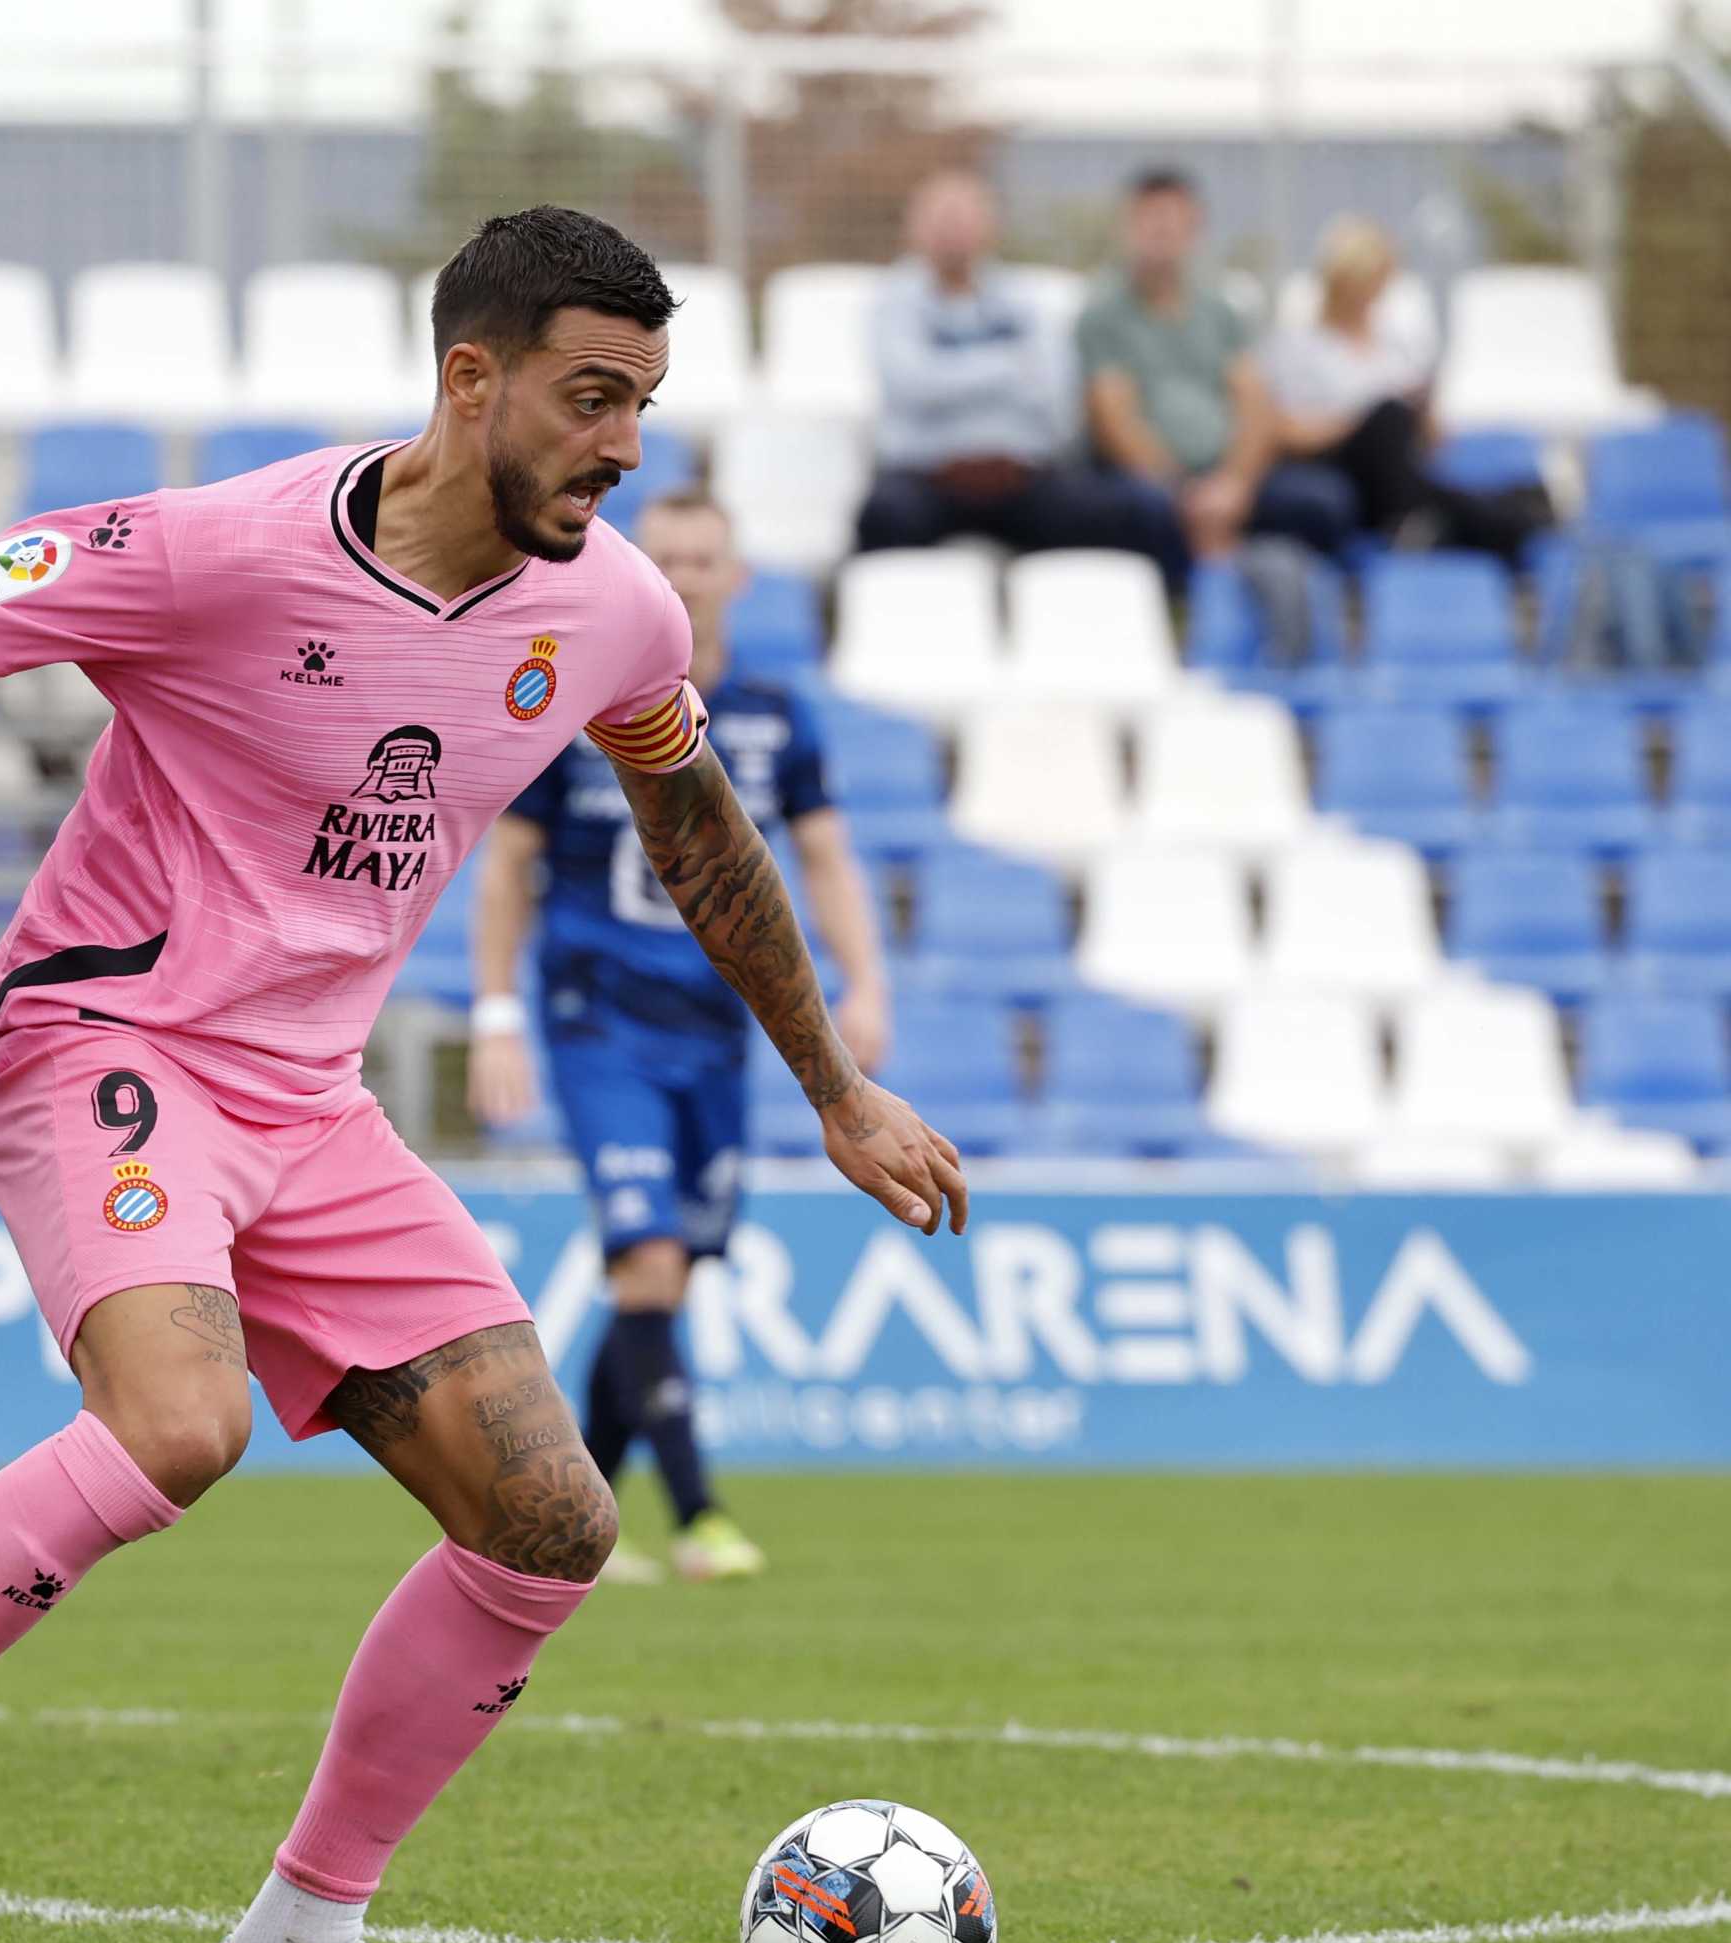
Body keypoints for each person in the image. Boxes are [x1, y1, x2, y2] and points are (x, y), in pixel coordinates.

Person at [0, 205, 965, 1943]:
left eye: (644, 407)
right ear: (470, 377)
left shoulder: (615, 610)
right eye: (591, 399)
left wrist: (834, 1085)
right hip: (107, 1038)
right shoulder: (229, 548)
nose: (620, 445)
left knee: (550, 1519)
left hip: (308, 1099)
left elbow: (696, 829)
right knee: (178, 1425)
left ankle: (299, 1937)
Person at [469, 489, 888, 1586]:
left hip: (718, 1029)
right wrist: (497, 1013)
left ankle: (567, 1527)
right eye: (667, 558)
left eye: (704, 559)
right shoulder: (573, 702)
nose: (686, 577)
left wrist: (864, 983)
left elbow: (825, 857)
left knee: (663, 1278)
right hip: (599, 1020)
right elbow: (508, 866)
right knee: (648, 1260)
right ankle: (701, 1516)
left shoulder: (774, 717)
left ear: (736, 577)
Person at [855, 170, 1167, 562]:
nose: (952, 230)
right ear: (914, 228)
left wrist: (948, 374)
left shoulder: (1025, 300)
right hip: (925, 479)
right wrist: (1008, 366)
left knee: (1116, 513)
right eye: (942, 218)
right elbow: (912, 386)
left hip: (1021, 480)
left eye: (963, 217)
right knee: (883, 516)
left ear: (990, 225)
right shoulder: (892, 302)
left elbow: (1052, 390)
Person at [1078, 167, 1348, 583]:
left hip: (1228, 480)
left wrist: (1234, 485)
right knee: (1144, 510)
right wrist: (1182, 491)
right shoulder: (1102, 315)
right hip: (1153, 484)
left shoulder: (1221, 312)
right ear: (1127, 226)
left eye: (1172, 220)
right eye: (1150, 219)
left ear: (1194, 227)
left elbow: (1256, 404)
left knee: (1323, 500)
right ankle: (1195, 585)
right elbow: (1115, 421)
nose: (1161, 232)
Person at [1259, 215, 1541, 564]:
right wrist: (1360, 422)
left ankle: (1466, 519)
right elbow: (1283, 432)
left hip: (1397, 475)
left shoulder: (1394, 347)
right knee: (1389, 417)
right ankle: (1498, 516)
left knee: (1403, 437)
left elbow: (1432, 441)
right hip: (1338, 469)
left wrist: (1423, 411)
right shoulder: (1297, 347)